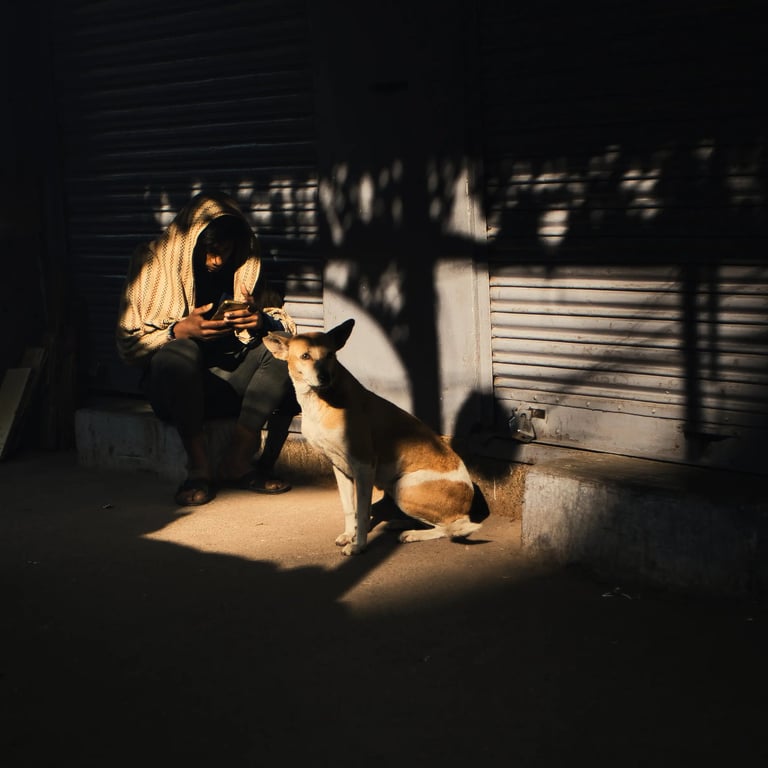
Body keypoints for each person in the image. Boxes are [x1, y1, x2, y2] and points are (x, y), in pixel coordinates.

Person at [116, 191, 299, 506]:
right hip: (176, 393)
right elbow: (127, 344)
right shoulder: (152, 261)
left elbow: (281, 323)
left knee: (283, 349)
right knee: (181, 352)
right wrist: (177, 331)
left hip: (230, 386)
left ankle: (238, 461)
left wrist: (258, 321)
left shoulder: (243, 265)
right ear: (192, 242)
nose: (216, 261)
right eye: (209, 251)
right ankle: (199, 468)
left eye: (223, 251)